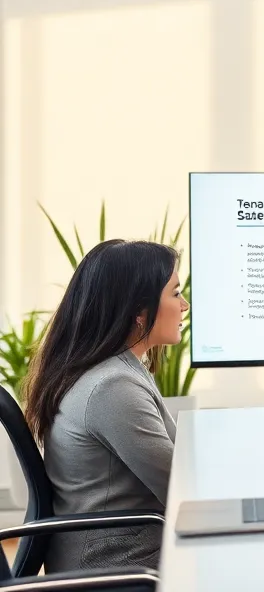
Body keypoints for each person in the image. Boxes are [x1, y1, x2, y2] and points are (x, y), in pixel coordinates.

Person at [24, 240, 188, 572]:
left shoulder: (115, 369)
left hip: (123, 550)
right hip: (116, 563)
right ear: (140, 313)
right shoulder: (112, 386)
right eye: (175, 293)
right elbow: (182, 488)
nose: (184, 305)